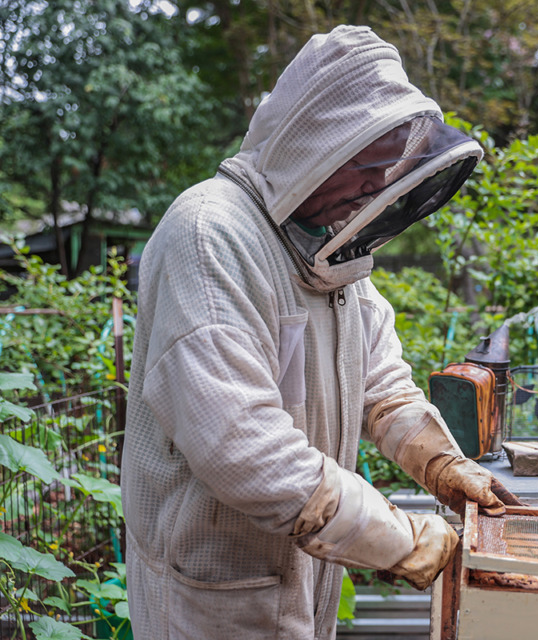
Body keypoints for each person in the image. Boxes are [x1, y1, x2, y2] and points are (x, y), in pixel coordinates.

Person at [120, 25, 512, 639]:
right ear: (313, 144)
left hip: (301, 579)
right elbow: (241, 446)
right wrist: (400, 539)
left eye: (389, 165)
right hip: (210, 599)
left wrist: (442, 464)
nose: (375, 186)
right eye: (366, 163)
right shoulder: (209, 236)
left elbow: (382, 385)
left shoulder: (331, 255)